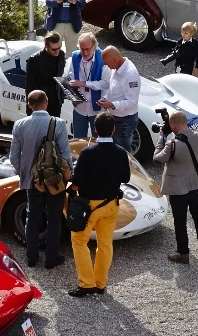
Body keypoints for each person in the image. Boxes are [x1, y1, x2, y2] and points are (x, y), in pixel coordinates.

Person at [66, 111, 128, 297]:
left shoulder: (87, 153)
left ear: (95, 129)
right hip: (111, 204)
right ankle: (101, 283)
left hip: (90, 206)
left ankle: (87, 283)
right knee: (105, 244)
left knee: (79, 241)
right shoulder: (120, 152)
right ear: (114, 129)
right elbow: (125, 177)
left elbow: (77, 181)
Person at [9, 89, 71, 271]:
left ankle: (31, 257)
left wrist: (24, 173)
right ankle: (52, 257)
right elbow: (65, 154)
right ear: (47, 101)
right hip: (54, 180)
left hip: (31, 179)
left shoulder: (19, 125)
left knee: (32, 216)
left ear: (29, 105)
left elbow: (14, 156)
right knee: (54, 218)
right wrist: (69, 174)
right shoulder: (57, 123)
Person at [154, 109, 198, 262]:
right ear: (185, 122)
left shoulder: (172, 145)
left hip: (178, 189)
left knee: (180, 222)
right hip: (196, 185)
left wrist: (162, 137)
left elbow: (158, 158)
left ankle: (183, 254)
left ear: (172, 126)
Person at [96, 45, 143, 155]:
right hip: (116, 117)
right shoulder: (116, 67)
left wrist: (112, 104)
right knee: (114, 149)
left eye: (107, 63)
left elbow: (132, 102)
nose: (107, 66)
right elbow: (114, 90)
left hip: (125, 120)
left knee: (123, 152)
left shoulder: (130, 74)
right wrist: (105, 98)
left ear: (114, 60)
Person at [63, 32, 104, 139]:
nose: (85, 52)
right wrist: (70, 90)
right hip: (79, 107)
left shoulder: (103, 58)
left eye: (88, 49)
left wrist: (85, 83)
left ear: (94, 46)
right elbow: (70, 76)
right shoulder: (75, 57)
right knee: (78, 140)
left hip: (97, 108)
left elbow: (105, 83)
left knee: (98, 139)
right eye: (82, 49)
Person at [24, 32, 66, 115]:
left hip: (56, 101)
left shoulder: (61, 55)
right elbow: (29, 85)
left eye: (59, 48)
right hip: (40, 102)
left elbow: (60, 74)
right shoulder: (35, 60)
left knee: (54, 126)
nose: (57, 51)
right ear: (46, 47)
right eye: (54, 49)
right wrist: (30, 106)